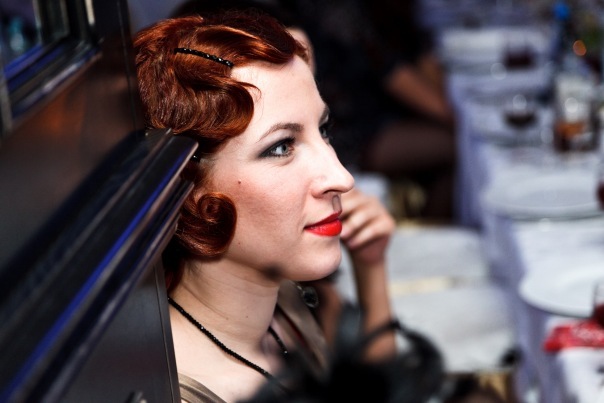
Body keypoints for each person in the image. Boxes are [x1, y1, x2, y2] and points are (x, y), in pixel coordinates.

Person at [134, 10, 398, 402]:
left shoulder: (289, 300)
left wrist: (371, 268)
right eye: (281, 147)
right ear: (188, 191)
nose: (341, 177)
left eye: (323, 130)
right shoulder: (180, 393)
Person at [279, 0, 457, 220]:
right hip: (351, 134)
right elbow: (390, 70)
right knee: (457, 146)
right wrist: (455, 117)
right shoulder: (336, 10)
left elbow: (414, 55)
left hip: (367, 119)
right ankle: (429, 228)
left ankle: (428, 227)